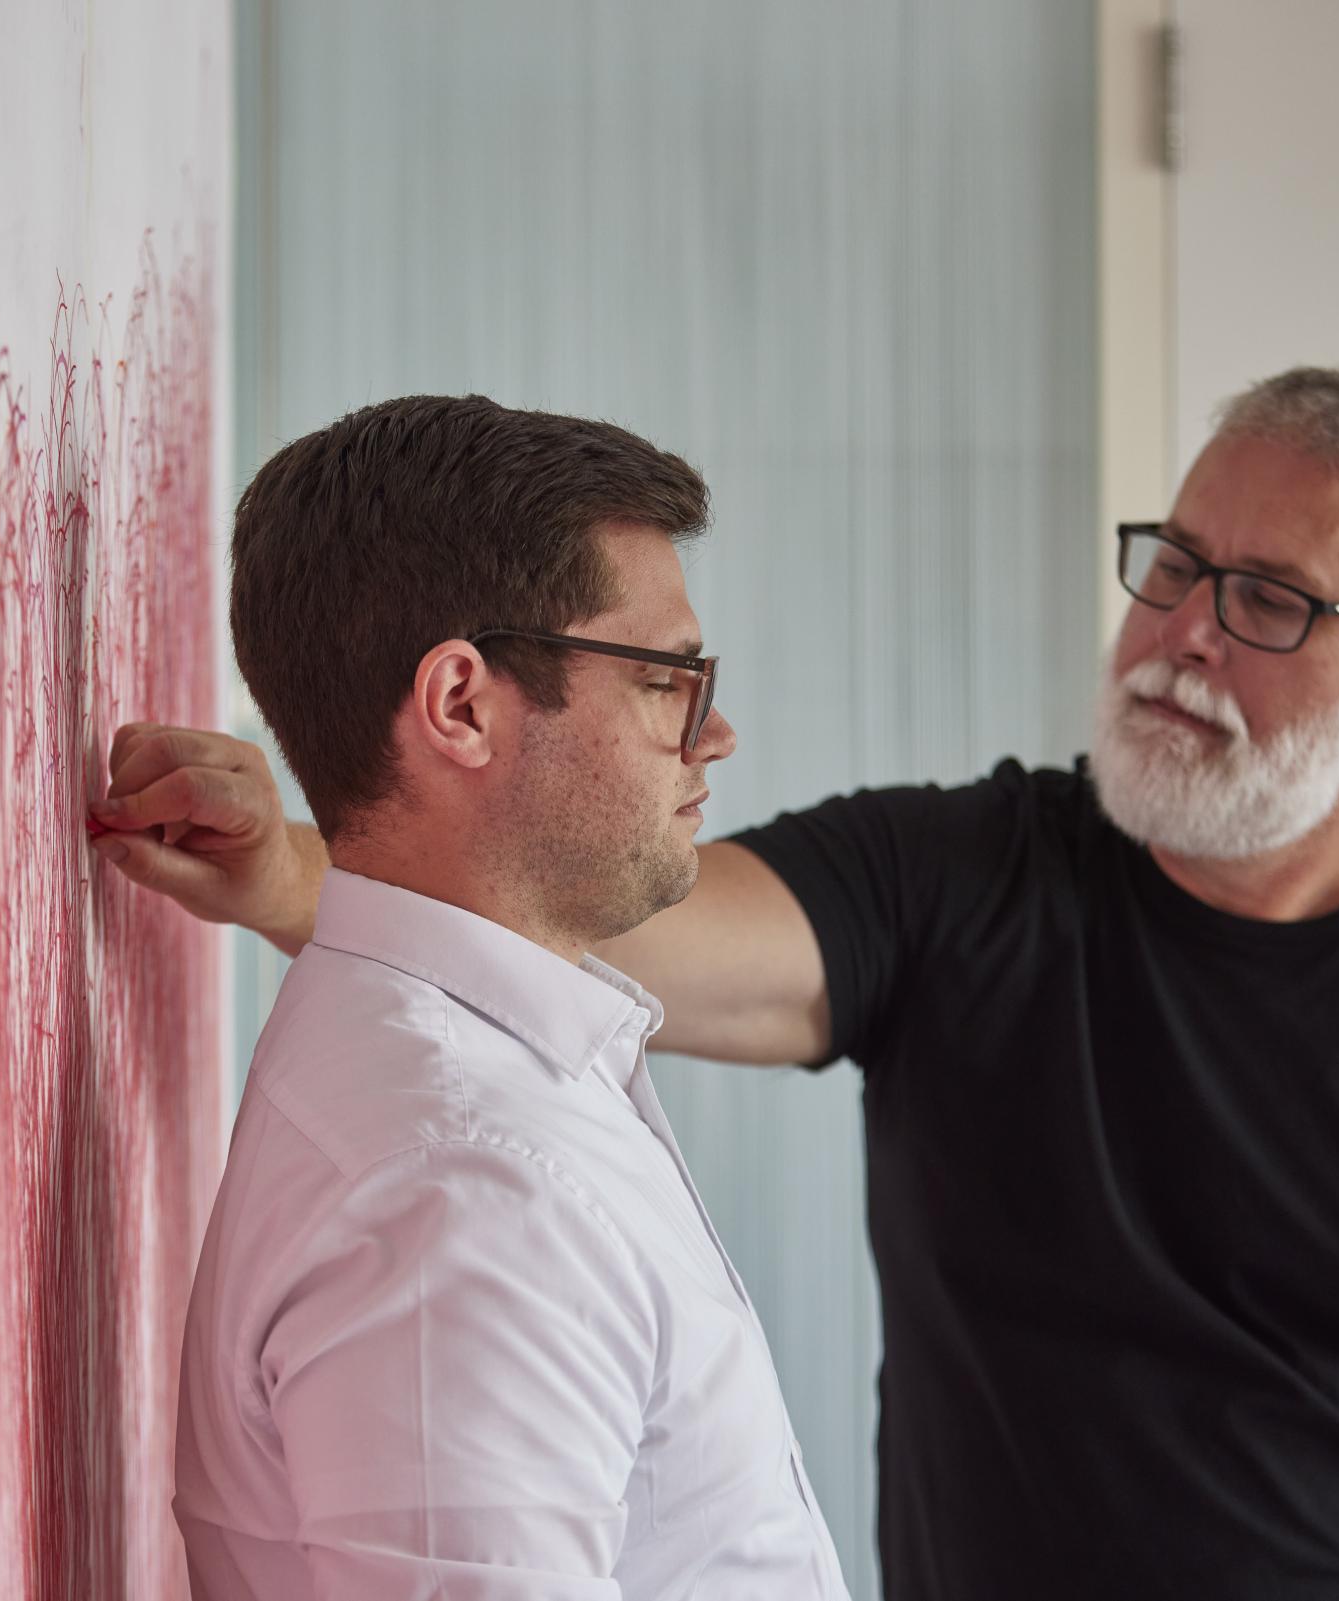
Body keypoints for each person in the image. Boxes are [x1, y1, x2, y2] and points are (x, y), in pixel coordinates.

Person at [95, 369, 1339, 1599]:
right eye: (1176, 564)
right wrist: (301, 858)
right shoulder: (968, 880)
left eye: (1269, 599)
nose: (1184, 633)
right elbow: (561, 908)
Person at [148, 394, 850, 1598]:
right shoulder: (461, 1188)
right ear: (462, 704)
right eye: (667, 677)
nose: (716, 732)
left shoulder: (482, 1097)